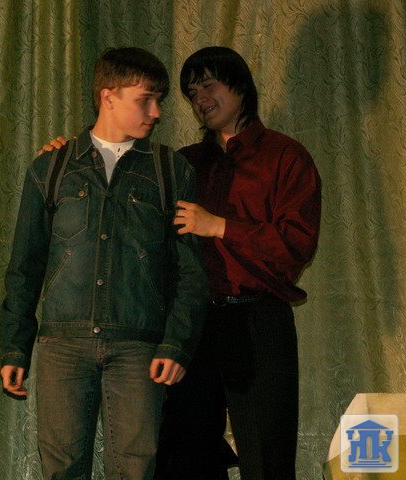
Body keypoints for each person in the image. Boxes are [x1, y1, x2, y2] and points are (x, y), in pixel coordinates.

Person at [0, 47, 207, 479]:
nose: (156, 112)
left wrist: (176, 344)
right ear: (108, 97)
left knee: (136, 469)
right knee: (61, 469)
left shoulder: (172, 170)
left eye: (159, 101)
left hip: (138, 346)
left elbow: (189, 271)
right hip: (63, 344)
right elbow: (24, 266)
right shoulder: (52, 167)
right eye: (145, 100)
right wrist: (15, 347)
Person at [155, 46, 321, 480]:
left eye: (208, 86)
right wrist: (73, 152)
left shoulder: (286, 156)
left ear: (241, 87)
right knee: (183, 458)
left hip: (259, 319)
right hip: (192, 323)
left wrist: (221, 226)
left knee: (267, 457)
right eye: (192, 93)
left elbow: (296, 245)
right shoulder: (184, 163)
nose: (200, 99)